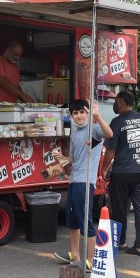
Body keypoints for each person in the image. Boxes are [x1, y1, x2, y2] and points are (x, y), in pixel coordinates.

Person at [53, 99, 113, 269]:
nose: (79, 116)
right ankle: (75, 255)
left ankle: (91, 261)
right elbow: (73, 159)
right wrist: (62, 159)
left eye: (82, 112)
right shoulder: (74, 133)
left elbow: (109, 134)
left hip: (85, 182)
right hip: (73, 181)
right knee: (71, 220)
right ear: (71, 116)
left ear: (87, 113)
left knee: (85, 221)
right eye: (75, 113)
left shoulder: (93, 130)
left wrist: (98, 116)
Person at [101, 90, 140, 257]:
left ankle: (120, 242)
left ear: (122, 102)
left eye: (116, 101)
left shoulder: (117, 122)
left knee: (119, 208)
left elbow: (110, 151)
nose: (115, 104)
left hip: (122, 172)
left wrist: (104, 169)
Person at [0, 41, 35, 106]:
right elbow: (3, 83)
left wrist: (26, 100)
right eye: (16, 54)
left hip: (8, 107)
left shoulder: (15, 67)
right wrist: (22, 95)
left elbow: (16, 86)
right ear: (8, 51)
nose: (18, 58)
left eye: (19, 55)